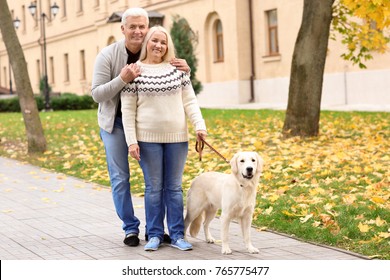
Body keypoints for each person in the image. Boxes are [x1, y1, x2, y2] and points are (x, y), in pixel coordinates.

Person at [91, 8, 190, 247]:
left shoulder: (156, 49)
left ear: (147, 28)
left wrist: (186, 70)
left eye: (141, 26)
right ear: (123, 29)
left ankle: (157, 230)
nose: (137, 31)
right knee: (121, 178)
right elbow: (96, 94)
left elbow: (178, 85)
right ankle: (130, 228)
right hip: (115, 123)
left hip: (148, 126)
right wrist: (122, 79)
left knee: (159, 181)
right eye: (132, 27)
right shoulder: (107, 55)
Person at [121, 25, 207, 251]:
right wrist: (131, 141)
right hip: (147, 140)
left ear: (168, 45)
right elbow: (128, 111)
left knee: (174, 187)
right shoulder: (134, 71)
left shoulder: (177, 69)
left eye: (163, 42)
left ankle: (178, 234)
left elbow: (190, 101)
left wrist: (200, 126)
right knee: (153, 187)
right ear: (147, 43)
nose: (159, 45)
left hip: (177, 138)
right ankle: (155, 234)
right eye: (154, 40)